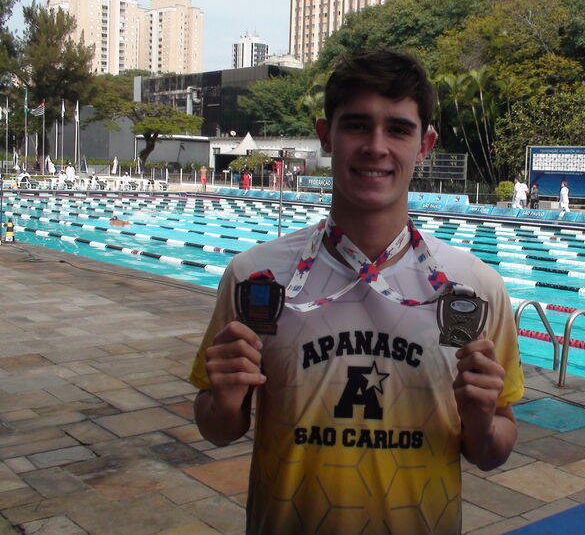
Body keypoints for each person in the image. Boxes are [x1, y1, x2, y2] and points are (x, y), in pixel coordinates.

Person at [189, 49, 524, 535]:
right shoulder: (255, 278)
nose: (376, 146)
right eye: (357, 125)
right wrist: (222, 401)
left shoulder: (475, 289)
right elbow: (219, 430)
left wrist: (482, 421)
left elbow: (492, 452)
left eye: (399, 129)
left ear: (425, 143)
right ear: (326, 135)